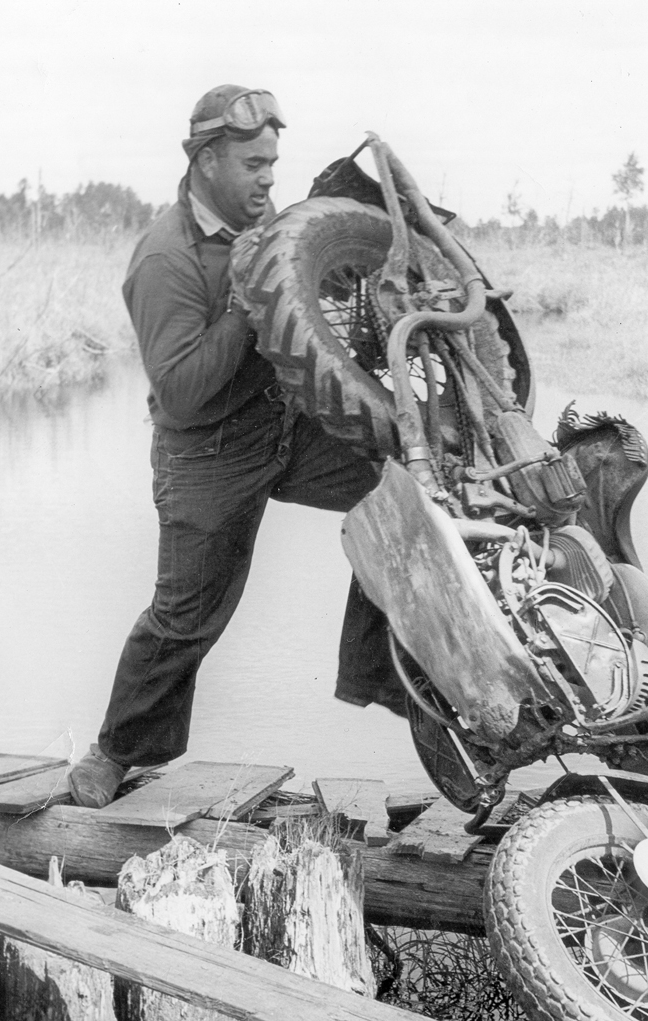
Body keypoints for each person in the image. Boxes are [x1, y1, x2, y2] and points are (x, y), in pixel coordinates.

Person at [69, 84, 402, 809]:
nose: (267, 180)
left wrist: (336, 279)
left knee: (402, 486)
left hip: (283, 425)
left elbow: (309, 305)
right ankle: (113, 753)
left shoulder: (267, 228)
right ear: (207, 159)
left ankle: (382, 674)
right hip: (205, 453)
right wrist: (250, 296)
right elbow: (184, 390)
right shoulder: (163, 258)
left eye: (273, 165)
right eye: (254, 164)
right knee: (185, 617)